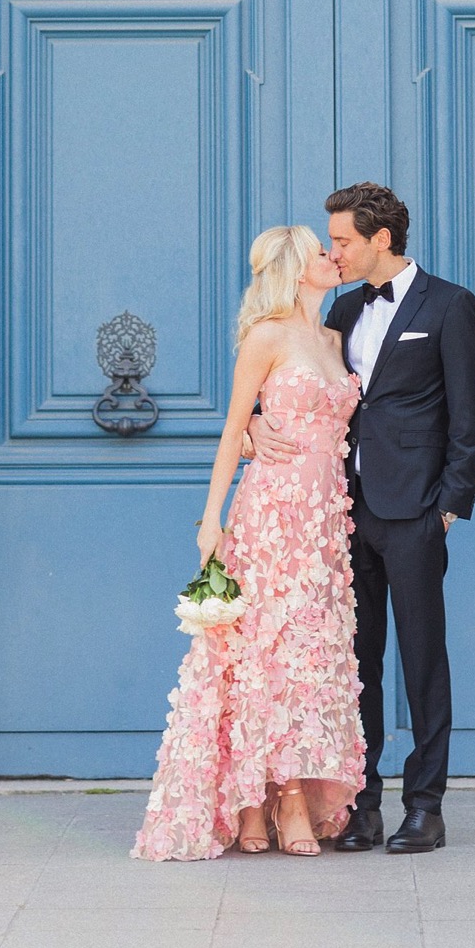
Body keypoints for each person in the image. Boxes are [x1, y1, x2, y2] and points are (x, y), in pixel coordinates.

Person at [248, 181, 475, 853]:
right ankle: (363, 803)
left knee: (421, 660)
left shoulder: (449, 306)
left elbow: (470, 417)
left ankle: (426, 805)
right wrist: (252, 431)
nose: (335, 252)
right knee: (356, 663)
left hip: (414, 513)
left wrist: (448, 508)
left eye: (345, 241)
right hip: (341, 514)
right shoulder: (343, 310)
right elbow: (293, 386)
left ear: (381, 240)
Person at [132, 224, 365, 861]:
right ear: (296, 267)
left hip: (325, 525)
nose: (333, 256)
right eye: (322, 251)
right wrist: (211, 520)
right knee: (267, 651)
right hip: (271, 514)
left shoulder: (336, 337)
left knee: (308, 657)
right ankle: (279, 797)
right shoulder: (265, 336)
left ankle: (267, 798)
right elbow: (234, 429)